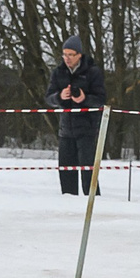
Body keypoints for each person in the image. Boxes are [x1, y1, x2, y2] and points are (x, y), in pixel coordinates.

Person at [45, 34, 106, 196]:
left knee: (88, 171)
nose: (67, 58)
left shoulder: (92, 72)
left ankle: (92, 201)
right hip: (65, 131)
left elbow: (100, 100)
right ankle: (68, 202)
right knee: (66, 171)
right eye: (65, 54)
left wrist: (83, 98)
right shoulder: (58, 73)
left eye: (71, 55)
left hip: (87, 130)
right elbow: (49, 98)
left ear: (79, 55)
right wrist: (59, 97)